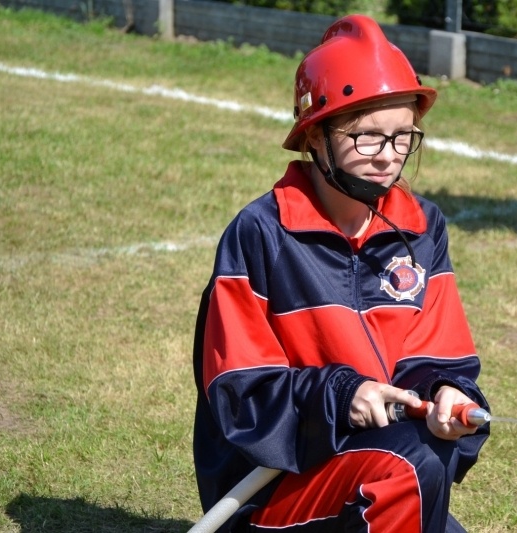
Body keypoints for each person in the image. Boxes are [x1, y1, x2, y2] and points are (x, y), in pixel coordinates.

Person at [191, 14, 491, 532]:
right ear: (315, 136)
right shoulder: (261, 233)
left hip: (383, 467)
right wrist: (341, 396)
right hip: (271, 491)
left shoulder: (423, 228)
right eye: (367, 137)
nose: (389, 158)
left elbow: (439, 354)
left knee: (417, 459)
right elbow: (241, 395)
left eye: (403, 137)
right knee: (406, 467)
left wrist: (444, 391)